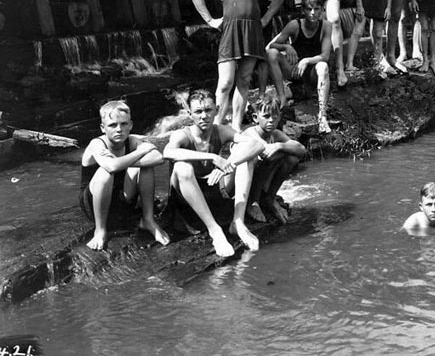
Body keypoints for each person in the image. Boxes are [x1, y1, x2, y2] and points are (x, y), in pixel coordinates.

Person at [189, 0, 284, 130]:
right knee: (224, 84)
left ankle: (236, 128)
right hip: (231, 28)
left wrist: (266, 19)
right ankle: (217, 127)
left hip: (252, 30)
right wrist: (210, 20)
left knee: (244, 80)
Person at [163, 89, 265, 257]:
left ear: (217, 110)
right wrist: (212, 157)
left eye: (208, 110)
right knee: (182, 167)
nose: (204, 116)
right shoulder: (182, 134)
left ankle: (237, 222)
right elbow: (167, 153)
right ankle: (214, 230)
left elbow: (257, 145)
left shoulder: (221, 131)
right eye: (198, 112)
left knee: (247, 158)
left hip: (213, 191)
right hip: (186, 197)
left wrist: (228, 163)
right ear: (189, 114)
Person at [79, 101, 169, 250]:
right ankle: (100, 230)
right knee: (105, 173)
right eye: (113, 125)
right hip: (93, 202)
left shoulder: (132, 140)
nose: (119, 129)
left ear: (131, 125)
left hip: (122, 199)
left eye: (124, 124)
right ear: (103, 128)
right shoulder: (96, 144)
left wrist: (126, 161)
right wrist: (139, 152)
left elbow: (158, 158)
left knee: (146, 168)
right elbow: (111, 166)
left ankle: (148, 220)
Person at [265, 0, 334, 134]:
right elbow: (272, 45)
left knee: (323, 66)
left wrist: (306, 60)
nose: (313, 13)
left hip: (313, 73)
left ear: (322, 10)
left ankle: (322, 115)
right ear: (303, 10)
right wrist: (286, 47)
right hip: (294, 70)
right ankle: (282, 97)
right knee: (271, 54)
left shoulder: (326, 26)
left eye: (316, 9)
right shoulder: (294, 25)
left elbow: (325, 56)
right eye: (309, 9)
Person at [243, 92, 307, 225]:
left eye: (275, 116)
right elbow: (266, 152)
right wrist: (280, 149)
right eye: (266, 116)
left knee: (292, 158)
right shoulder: (251, 133)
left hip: (261, 181)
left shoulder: (275, 134)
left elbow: (301, 150)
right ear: (255, 118)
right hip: (243, 184)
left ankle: (270, 198)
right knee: (272, 157)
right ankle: (253, 203)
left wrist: (279, 145)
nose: (271, 120)